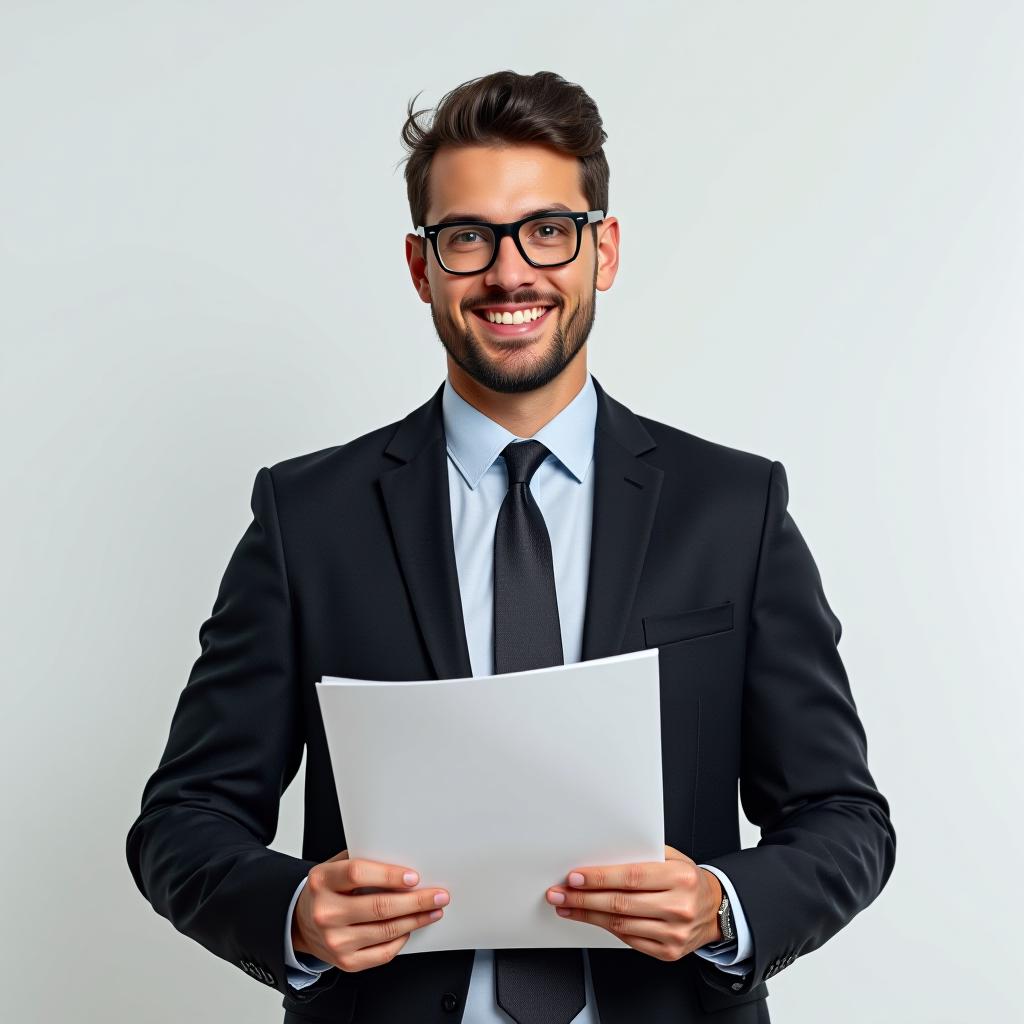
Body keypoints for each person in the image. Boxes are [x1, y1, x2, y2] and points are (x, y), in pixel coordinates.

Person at [126, 69, 896, 1024]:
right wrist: (292, 914)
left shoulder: (734, 508)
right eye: (467, 239)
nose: (509, 272)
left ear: (602, 249)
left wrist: (720, 906)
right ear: (421, 268)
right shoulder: (307, 516)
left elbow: (845, 819)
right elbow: (183, 820)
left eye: (547, 230)